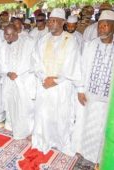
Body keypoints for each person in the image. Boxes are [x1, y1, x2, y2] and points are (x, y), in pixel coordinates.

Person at [32, 8, 81, 156]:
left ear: (63, 22)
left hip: (61, 86)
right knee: (44, 115)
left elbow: (72, 64)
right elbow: (35, 61)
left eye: (55, 21)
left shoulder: (71, 40)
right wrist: (43, 78)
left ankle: (61, 143)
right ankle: (44, 140)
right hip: (44, 85)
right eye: (50, 20)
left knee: (61, 116)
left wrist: (56, 80)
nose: (51, 24)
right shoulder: (43, 40)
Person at [75, 10, 114, 164]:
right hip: (89, 96)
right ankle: (85, 154)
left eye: (105, 26)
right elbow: (81, 68)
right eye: (100, 26)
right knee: (87, 126)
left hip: (108, 101)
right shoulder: (90, 45)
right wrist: (80, 90)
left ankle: (100, 158)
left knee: (103, 129)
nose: (101, 29)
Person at [0, 24, 36, 139]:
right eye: (5, 34)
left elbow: (32, 62)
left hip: (24, 79)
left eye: (8, 34)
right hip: (9, 79)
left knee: (24, 106)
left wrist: (18, 73)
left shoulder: (28, 43)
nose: (6, 37)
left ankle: (26, 129)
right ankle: (12, 125)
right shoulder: (3, 46)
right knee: (10, 103)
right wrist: (8, 73)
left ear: (15, 33)